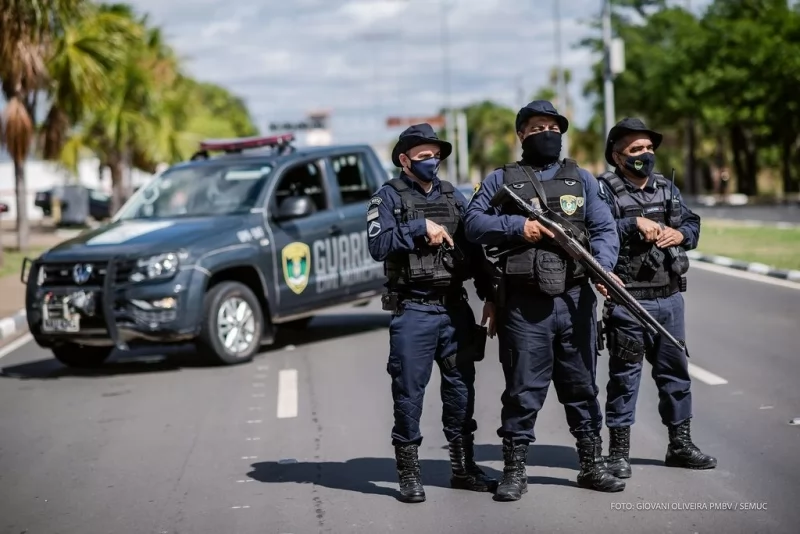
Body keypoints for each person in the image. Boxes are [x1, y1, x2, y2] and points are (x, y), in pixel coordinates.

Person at [464, 100, 625, 501]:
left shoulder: (582, 180)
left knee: (582, 385)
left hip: (574, 300)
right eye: (537, 128)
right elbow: (472, 223)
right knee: (522, 389)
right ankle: (515, 472)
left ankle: (591, 465)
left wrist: (602, 267)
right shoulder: (502, 179)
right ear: (521, 134)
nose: (547, 135)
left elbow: (604, 228)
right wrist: (519, 227)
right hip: (524, 304)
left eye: (553, 128)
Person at [367, 123, 497, 504]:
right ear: (405, 160)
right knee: (408, 394)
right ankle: (409, 475)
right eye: (423, 156)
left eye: (435, 155)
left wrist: (490, 296)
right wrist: (418, 227)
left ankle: (462, 468)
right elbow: (378, 244)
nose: (431, 161)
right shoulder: (387, 198)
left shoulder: (453, 197)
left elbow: (474, 253)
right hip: (414, 312)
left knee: (460, 391)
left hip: (454, 309)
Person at [597, 117, 717, 479]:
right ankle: (618, 453)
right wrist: (633, 225)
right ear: (617, 156)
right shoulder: (604, 190)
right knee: (625, 378)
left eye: (649, 148)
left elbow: (693, 224)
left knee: (675, 376)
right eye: (636, 150)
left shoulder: (667, 187)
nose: (645, 155)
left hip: (669, 299)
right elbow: (596, 232)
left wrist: (679, 235)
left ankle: (680, 445)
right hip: (628, 301)